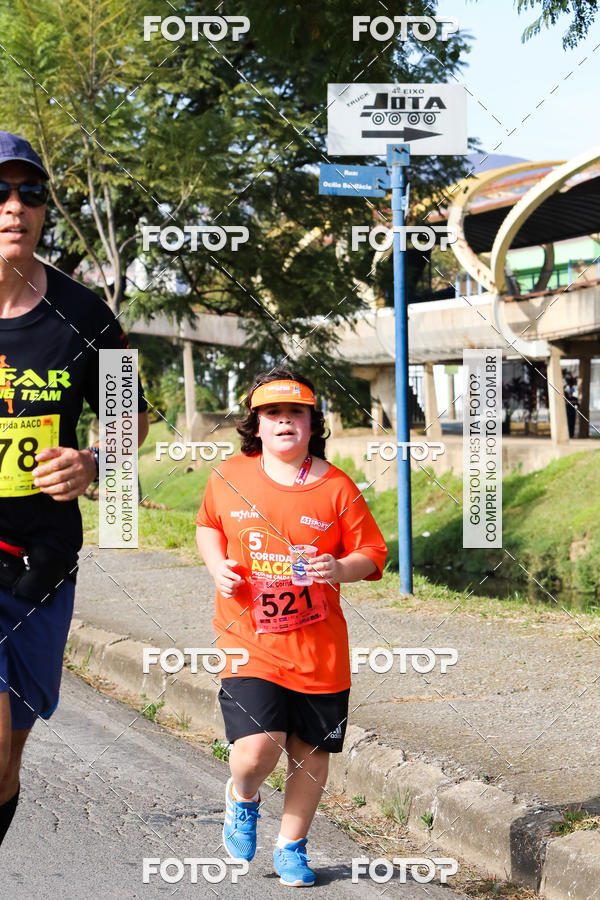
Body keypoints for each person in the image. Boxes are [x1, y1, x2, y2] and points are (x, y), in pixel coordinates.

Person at [0, 132, 149, 846]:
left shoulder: (85, 316)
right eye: (0, 191)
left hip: (41, 561)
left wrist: (93, 461)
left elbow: (133, 419)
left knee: (7, 762)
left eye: (31, 192)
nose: (14, 206)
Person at [195, 366, 387, 886]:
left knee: (311, 755)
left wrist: (340, 567)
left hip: (320, 648)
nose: (284, 421)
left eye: (295, 412)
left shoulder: (336, 486)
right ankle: (242, 795)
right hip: (247, 638)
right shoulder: (229, 476)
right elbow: (207, 526)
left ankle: (291, 847)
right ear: (255, 424)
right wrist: (217, 566)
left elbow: (372, 551)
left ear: (311, 422)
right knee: (258, 748)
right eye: (272, 413)